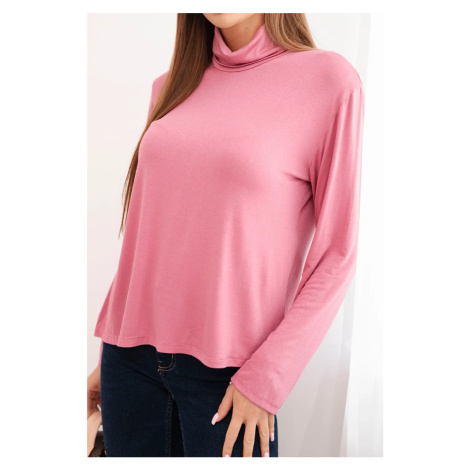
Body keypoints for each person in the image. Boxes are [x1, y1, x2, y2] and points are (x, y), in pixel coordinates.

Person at [87, 12, 365, 457]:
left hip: (233, 380)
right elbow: (149, 232)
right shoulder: (170, 87)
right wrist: (108, 353)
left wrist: (267, 380)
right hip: (128, 365)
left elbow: (337, 254)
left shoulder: (329, 82)